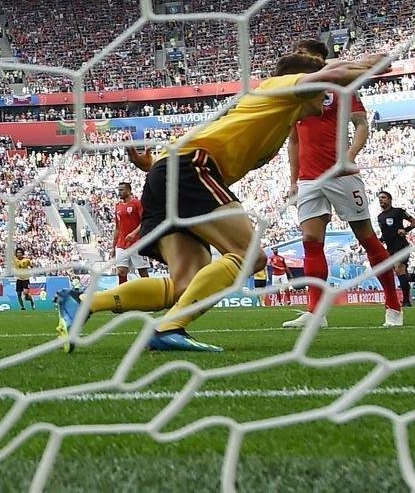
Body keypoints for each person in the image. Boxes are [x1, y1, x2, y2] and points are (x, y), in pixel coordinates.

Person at [55, 51, 384, 353]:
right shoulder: (280, 88)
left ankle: (82, 303)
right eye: (324, 89)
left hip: (173, 171)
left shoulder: (277, 116)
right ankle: (170, 327)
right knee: (249, 256)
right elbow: (331, 74)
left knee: (185, 282)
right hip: (192, 168)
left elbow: (205, 135)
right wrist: (372, 62)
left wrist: (151, 165)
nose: (329, 98)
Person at [284, 39, 401, 329]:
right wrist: (293, 180)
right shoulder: (296, 92)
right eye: (298, 54)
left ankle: (394, 306)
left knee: (367, 239)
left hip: (341, 175)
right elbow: (294, 140)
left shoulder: (340, 87)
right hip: (309, 179)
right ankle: (316, 313)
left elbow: (361, 124)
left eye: (306, 55)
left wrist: (348, 156)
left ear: (321, 58)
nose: (301, 58)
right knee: (311, 242)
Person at [113, 182, 149, 282]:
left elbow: (145, 221)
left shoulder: (137, 203)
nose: (119, 192)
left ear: (128, 191)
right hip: (121, 244)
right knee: (121, 272)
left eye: (121, 190)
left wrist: (134, 233)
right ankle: (123, 296)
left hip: (137, 243)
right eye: (118, 190)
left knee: (143, 272)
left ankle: (150, 294)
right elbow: (117, 228)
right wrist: (113, 246)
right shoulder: (118, 206)